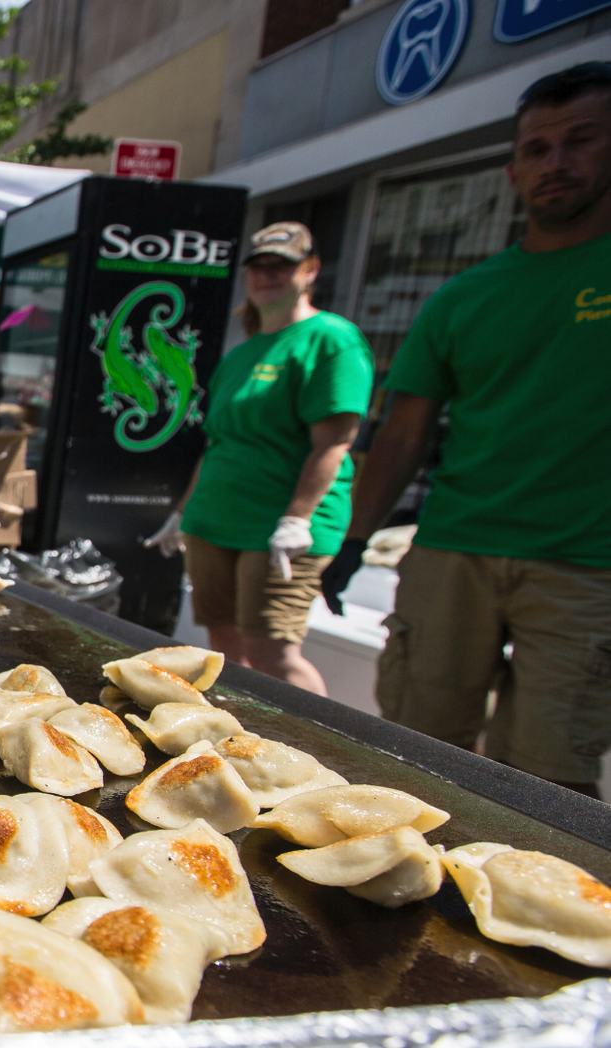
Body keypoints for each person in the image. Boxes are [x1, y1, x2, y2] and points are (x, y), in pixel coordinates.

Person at [319, 62, 611, 794]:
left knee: (548, 781)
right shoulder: (463, 299)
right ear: (512, 171)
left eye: (582, 141)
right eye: (537, 149)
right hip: (452, 554)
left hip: (585, 569)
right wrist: (353, 539)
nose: (557, 163)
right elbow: (402, 435)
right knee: (416, 757)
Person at [143, 223, 374, 696]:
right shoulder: (242, 352)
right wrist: (183, 512)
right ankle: (243, 741)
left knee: (273, 654)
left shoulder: (331, 338)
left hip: (276, 529)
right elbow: (218, 444)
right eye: (259, 266)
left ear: (309, 271)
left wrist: (297, 519)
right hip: (215, 519)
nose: (267, 275)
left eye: (281, 265)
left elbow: (334, 442)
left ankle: (321, 752)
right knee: (222, 645)